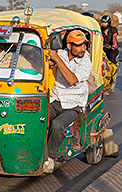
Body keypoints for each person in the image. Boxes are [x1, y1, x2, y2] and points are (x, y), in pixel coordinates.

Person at [43, 30, 92, 173]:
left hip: (73, 104)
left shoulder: (85, 62)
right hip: (55, 99)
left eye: (84, 45)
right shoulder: (61, 53)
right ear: (69, 46)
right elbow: (49, 62)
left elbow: (71, 80)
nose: (83, 48)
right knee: (39, 120)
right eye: (79, 45)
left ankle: (51, 157)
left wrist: (57, 60)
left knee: (57, 125)